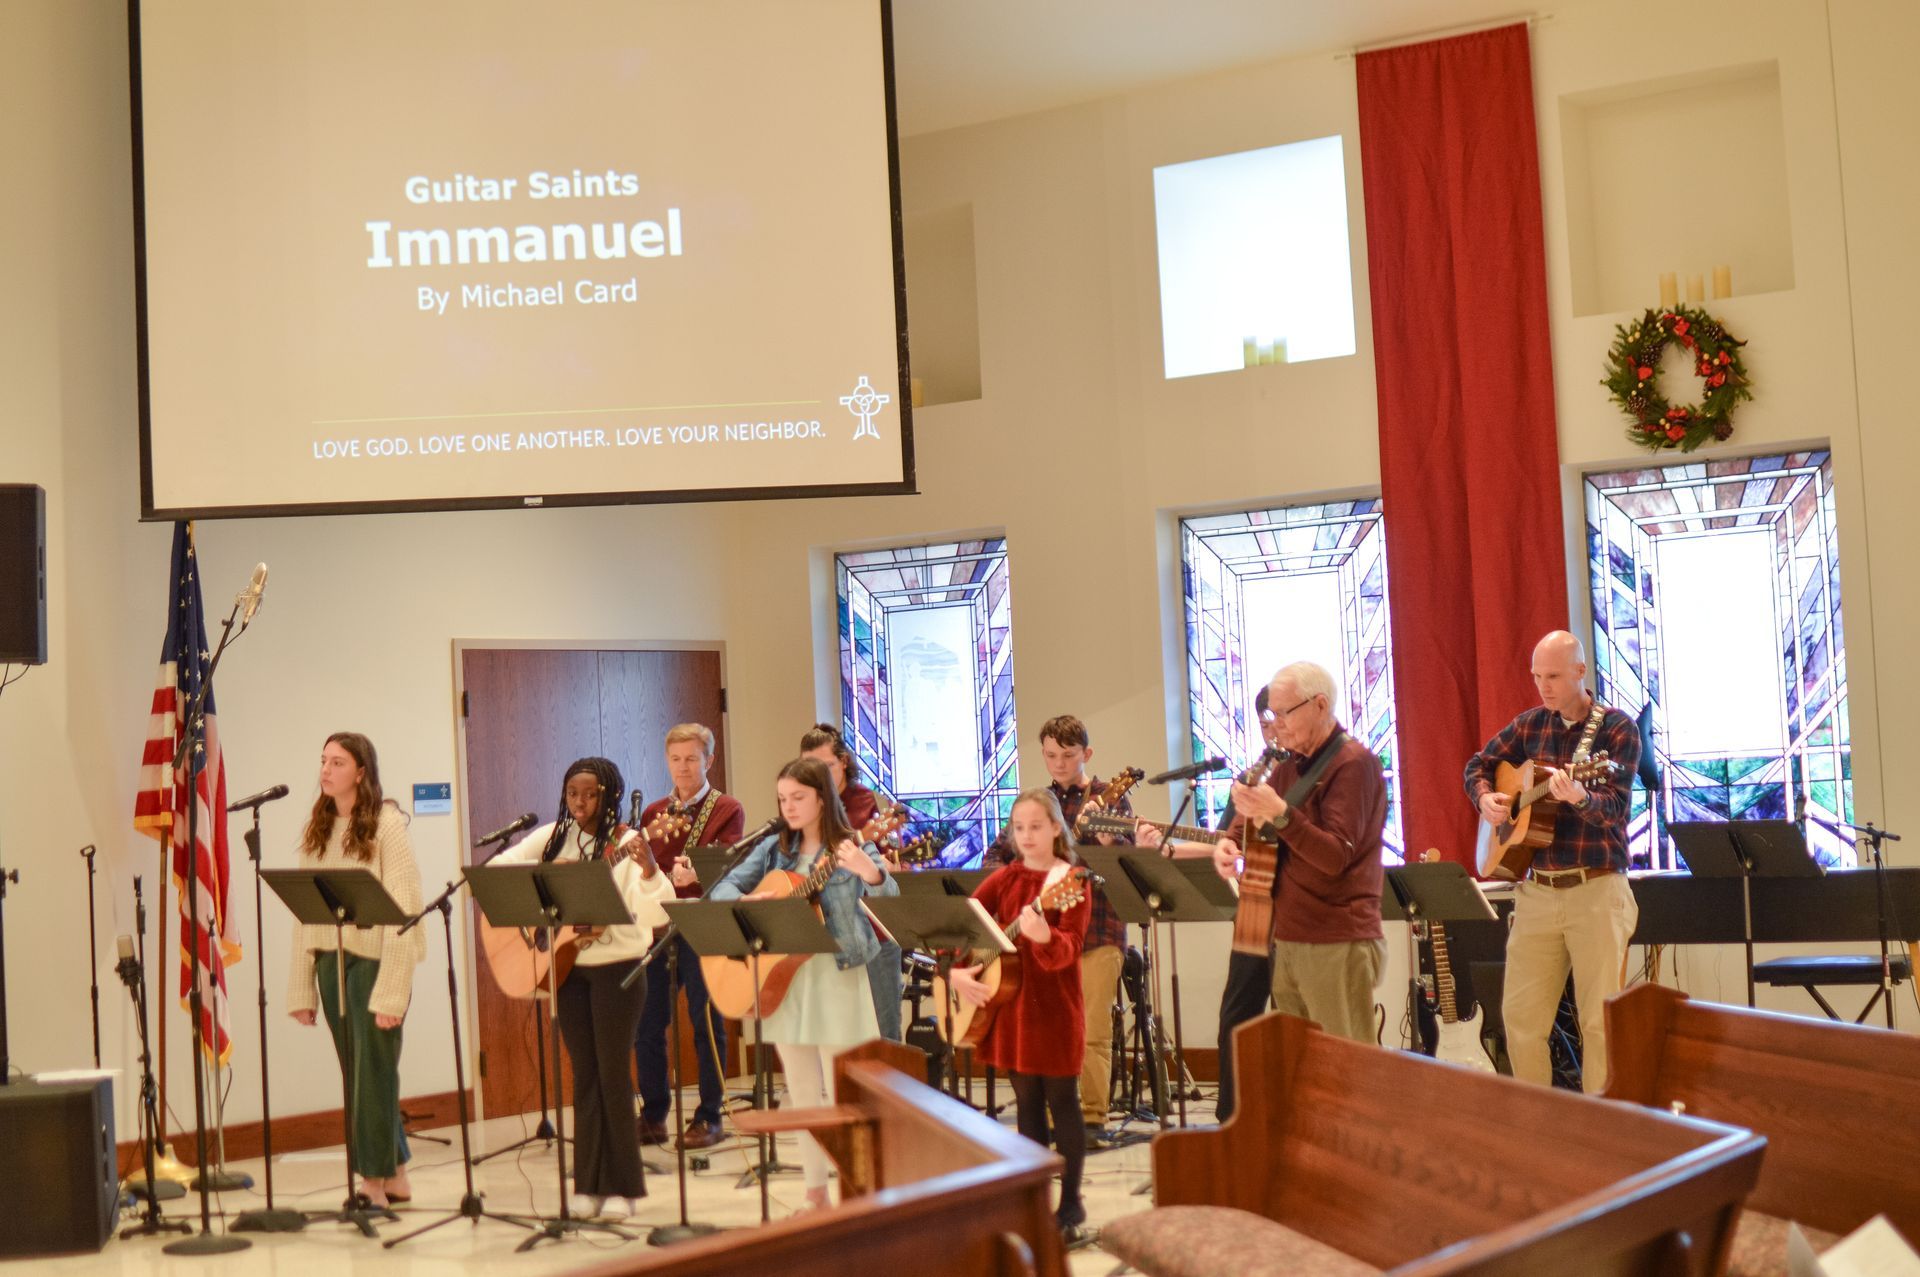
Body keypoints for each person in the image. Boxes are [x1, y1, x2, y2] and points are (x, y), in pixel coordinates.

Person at [1149, 663, 1388, 1102]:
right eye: (1271, 715)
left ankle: (1355, 1166)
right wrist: (1228, 845)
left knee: (1347, 1072)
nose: (1275, 725)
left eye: (1284, 713)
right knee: (1302, 1072)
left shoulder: (1355, 764)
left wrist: (1279, 812)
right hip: (1289, 937)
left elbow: (1335, 855)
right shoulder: (1290, 765)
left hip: (1336, 938)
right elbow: (1252, 827)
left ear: (1320, 705)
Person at [710, 757, 897, 1211]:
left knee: (842, 1093)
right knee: (799, 1092)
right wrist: (751, 900)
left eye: (798, 798)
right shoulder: (775, 849)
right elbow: (720, 890)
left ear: (821, 799)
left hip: (837, 974)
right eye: (782, 799)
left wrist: (868, 871)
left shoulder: (851, 843)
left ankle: (855, 1188)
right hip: (786, 979)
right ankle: (815, 1192)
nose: (789, 807)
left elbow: (888, 897)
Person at [493, 757, 674, 1220]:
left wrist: (652, 871)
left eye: (589, 793)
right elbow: (500, 868)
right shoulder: (555, 837)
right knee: (585, 1077)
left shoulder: (629, 842)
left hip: (619, 969)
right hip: (568, 968)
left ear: (609, 795)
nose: (580, 802)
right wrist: (542, 906)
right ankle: (589, 1184)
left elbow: (658, 915)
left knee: (613, 1077)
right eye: (573, 792)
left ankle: (624, 1189)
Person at [1464, 630, 1639, 1094]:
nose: (1544, 686)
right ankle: (1537, 1126)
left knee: (1600, 1021)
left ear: (1581, 672)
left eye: (1555, 676)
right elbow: (1478, 765)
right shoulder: (1529, 725)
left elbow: (1616, 809)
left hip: (1596, 891)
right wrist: (1486, 799)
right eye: (1537, 676)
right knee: (1520, 1019)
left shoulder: (1616, 730)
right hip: (1537, 890)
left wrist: (1581, 795)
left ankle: (1603, 1127)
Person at [286, 732, 425, 1209]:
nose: (325, 770)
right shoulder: (319, 827)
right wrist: (301, 987)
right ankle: (398, 1174)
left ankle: (371, 1184)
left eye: (338, 762)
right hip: (331, 962)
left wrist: (392, 992)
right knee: (358, 1073)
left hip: (375, 962)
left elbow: (405, 911)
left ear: (361, 772)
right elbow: (307, 913)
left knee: (375, 1072)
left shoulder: (386, 825)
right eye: (323, 760)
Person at [950, 789, 1093, 1242]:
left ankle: (1070, 1203)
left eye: (1036, 826)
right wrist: (956, 971)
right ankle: (1034, 1201)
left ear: (1056, 828)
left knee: (1063, 1102)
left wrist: (1045, 936)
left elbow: (1071, 948)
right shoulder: (1007, 878)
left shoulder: (1071, 881)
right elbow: (967, 927)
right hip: (1010, 1006)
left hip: (1053, 1008)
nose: (1027, 836)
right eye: (1019, 828)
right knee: (1027, 1104)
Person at [990, 715, 1132, 1145]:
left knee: (1090, 1028)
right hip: (1041, 934)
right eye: (1051, 755)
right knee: (1046, 1025)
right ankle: (1051, 1115)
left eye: (1068, 755)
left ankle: (1091, 1118)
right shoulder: (1038, 804)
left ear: (1086, 754)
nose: (1059, 763)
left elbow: (1127, 855)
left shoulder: (1109, 798)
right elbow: (998, 852)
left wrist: (1105, 835)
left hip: (1097, 930)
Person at [633, 723, 745, 1151]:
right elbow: (646, 872)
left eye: (692, 759)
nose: (683, 768)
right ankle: (654, 1114)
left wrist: (698, 872)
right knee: (648, 1022)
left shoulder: (726, 808)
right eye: (676, 759)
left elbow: (731, 864)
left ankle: (710, 1115)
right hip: (660, 926)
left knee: (705, 1021)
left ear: (709, 760)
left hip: (703, 926)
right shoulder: (652, 813)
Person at [798, 723, 901, 1041]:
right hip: (823, 938)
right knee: (834, 1041)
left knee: (882, 1038)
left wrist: (880, 866)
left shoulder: (868, 803)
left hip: (872, 932)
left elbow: (891, 868)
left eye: (826, 766)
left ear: (843, 762)